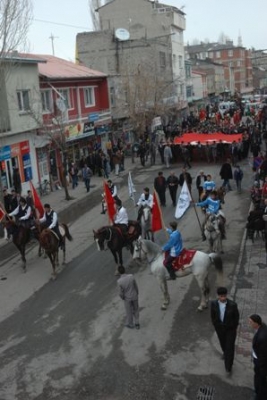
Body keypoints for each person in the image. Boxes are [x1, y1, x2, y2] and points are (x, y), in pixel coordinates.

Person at [210, 287, 240, 375]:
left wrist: (233, 327)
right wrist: (215, 325)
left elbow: (236, 317)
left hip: (230, 329)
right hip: (220, 328)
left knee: (230, 347)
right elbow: (213, 316)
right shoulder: (214, 303)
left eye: (224, 296)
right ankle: (225, 353)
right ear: (218, 296)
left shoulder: (233, 305)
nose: (223, 298)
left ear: (226, 295)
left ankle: (228, 367)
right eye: (221, 296)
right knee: (223, 344)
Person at [248, 314, 267, 400]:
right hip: (259, 360)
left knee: (260, 379)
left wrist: (259, 364)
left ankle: (259, 396)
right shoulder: (262, 327)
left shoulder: (261, 337)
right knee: (259, 378)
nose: (249, 323)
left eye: (251, 322)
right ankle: (258, 390)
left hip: (260, 363)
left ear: (256, 323)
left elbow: (263, 355)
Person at [117, 265, 140, 329]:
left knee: (129, 311)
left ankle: (130, 324)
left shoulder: (119, 281)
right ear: (125, 270)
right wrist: (137, 293)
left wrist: (123, 298)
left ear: (119, 272)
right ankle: (137, 323)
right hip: (134, 296)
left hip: (127, 298)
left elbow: (120, 293)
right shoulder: (131, 277)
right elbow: (136, 286)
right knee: (136, 309)